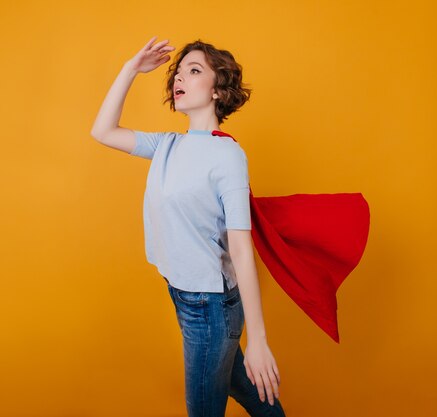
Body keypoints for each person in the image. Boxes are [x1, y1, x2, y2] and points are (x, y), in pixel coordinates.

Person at [91, 36, 286, 417]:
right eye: (178, 72)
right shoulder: (166, 145)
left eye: (194, 71)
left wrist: (259, 340)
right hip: (183, 294)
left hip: (209, 306)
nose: (179, 78)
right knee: (241, 384)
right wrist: (131, 68)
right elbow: (102, 131)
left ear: (217, 90)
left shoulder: (227, 155)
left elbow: (241, 247)